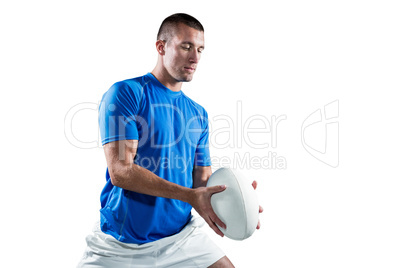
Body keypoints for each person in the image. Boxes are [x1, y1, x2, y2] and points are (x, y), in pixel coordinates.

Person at [77, 13, 262, 268]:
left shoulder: (198, 114)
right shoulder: (126, 94)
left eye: (200, 49)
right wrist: (188, 195)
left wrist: (235, 199)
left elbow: (201, 184)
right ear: (161, 47)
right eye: (186, 46)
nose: (195, 58)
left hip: (180, 238)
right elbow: (121, 171)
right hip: (120, 244)